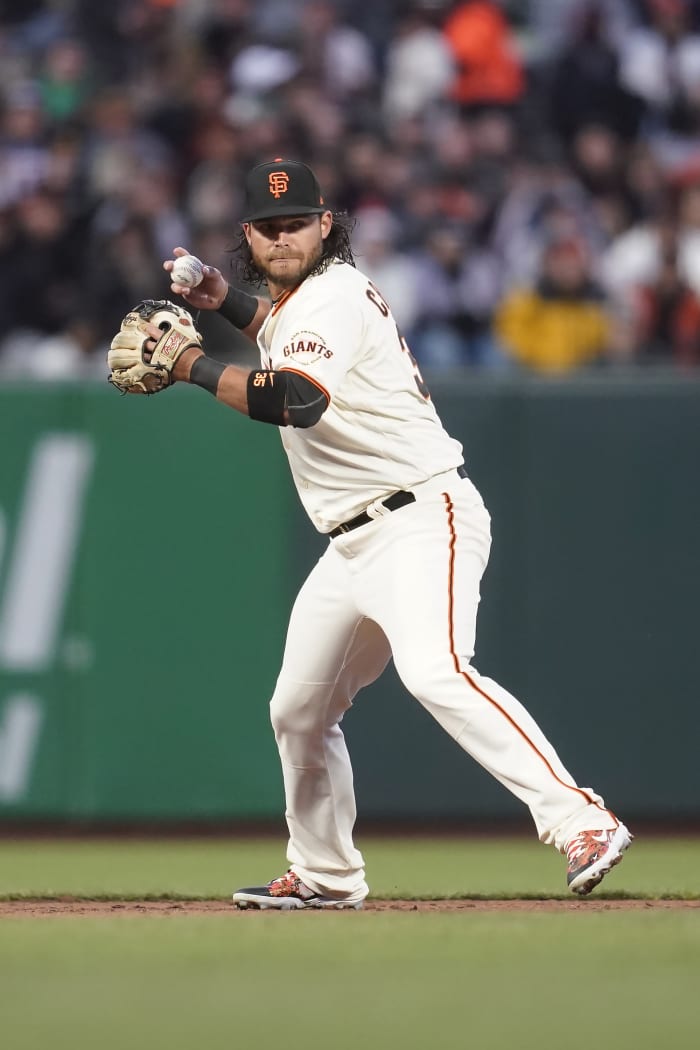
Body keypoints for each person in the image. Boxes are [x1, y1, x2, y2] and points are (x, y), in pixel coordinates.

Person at [153, 158, 631, 909]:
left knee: (437, 671)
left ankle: (584, 821)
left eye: (298, 223)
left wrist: (190, 363)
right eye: (269, 227)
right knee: (298, 711)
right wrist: (225, 302)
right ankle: (326, 874)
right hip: (352, 542)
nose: (284, 239)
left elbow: (297, 400)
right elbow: (280, 327)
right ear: (249, 234)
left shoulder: (333, 294)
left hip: (418, 518)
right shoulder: (302, 301)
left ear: (326, 225)